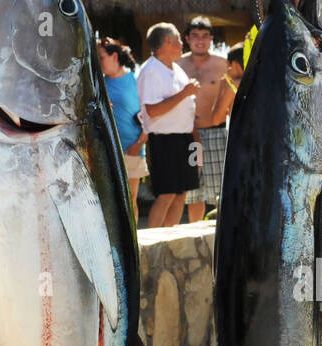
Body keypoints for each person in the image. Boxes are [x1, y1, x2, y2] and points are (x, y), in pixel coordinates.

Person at [137, 23, 200, 229]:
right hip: (163, 139)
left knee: (182, 193)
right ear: (167, 41)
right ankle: (154, 242)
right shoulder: (150, 70)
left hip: (184, 138)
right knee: (167, 194)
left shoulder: (177, 69)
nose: (182, 43)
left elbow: (186, 107)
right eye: (179, 39)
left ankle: (170, 240)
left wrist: (196, 144)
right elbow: (152, 110)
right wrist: (185, 92)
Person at [178, 17, 230, 223]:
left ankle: (221, 234)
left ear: (211, 39)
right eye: (195, 36)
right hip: (189, 135)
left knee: (221, 188)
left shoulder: (222, 63)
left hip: (216, 132)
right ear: (187, 39)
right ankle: (194, 232)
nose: (200, 41)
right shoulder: (177, 64)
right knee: (194, 191)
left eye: (205, 36)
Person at [97, 36, 148, 223]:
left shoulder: (136, 80)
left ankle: (133, 243)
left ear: (114, 57)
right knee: (109, 202)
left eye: (101, 57)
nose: (98, 61)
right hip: (107, 151)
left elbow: (150, 115)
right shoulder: (98, 84)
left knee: (131, 200)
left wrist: (140, 142)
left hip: (132, 148)